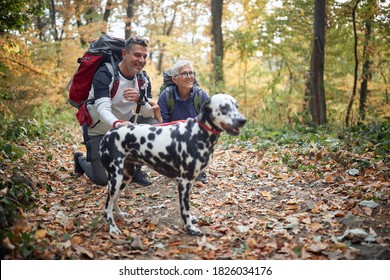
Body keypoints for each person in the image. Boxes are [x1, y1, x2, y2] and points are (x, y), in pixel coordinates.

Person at [74, 36, 162, 186]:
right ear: (124, 54)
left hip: (124, 126)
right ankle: (80, 160)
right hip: (99, 130)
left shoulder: (143, 79)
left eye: (144, 56)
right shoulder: (105, 74)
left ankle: (134, 169)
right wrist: (118, 124)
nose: (141, 60)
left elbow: (148, 113)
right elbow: (102, 109)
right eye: (137, 55)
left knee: (152, 123)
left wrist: (140, 100)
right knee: (102, 180)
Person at [157, 59, 209, 183]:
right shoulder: (166, 96)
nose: (189, 77)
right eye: (185, 73)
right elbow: (163, 125)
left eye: (191, 73)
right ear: (175, 79)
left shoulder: (201, 96)